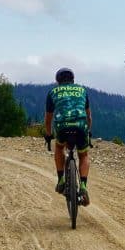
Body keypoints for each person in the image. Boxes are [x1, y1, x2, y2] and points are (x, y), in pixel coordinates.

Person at [44, 67, 92, 205]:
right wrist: (88, 131)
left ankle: (61, 180)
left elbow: (48, 119)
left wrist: (49, 135)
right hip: (81, 125)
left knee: (59, 148)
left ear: (58, 81)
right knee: (83, 155)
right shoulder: (82, 90)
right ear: (73, 79)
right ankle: (83, 186)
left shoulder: (52, 92)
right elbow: (89, 116)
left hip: (62, 126)